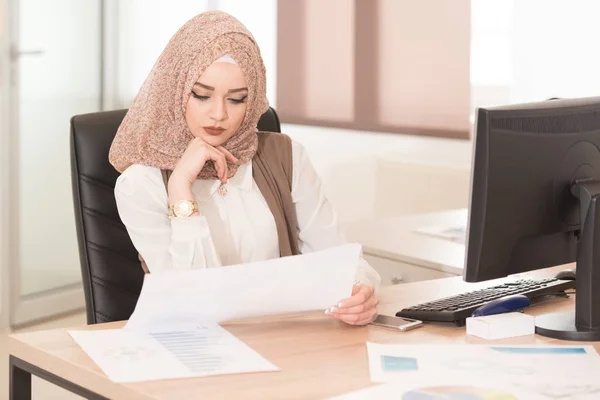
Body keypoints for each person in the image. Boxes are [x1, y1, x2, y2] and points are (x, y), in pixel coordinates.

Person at [109, 11, 381, 326]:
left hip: (287, 340)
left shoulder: (286, 156)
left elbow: (339, 257)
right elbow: (191, 299)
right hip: (196, 350)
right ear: (175, 91)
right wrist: (181, 188)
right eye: (201, 95)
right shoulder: (141, 184)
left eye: (237, 100)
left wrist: (360, 290)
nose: (218, 114)